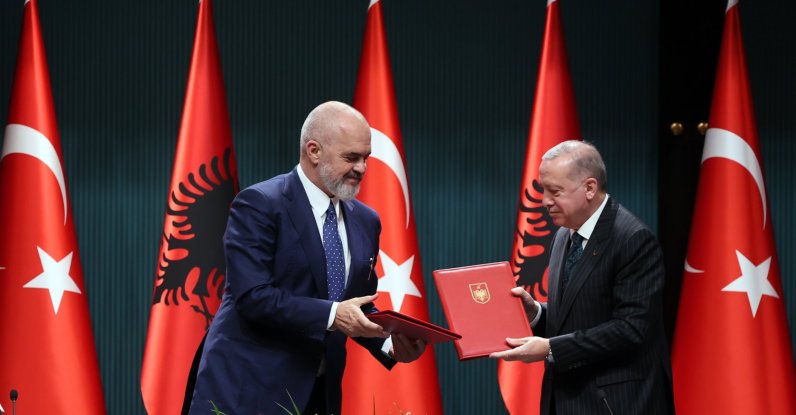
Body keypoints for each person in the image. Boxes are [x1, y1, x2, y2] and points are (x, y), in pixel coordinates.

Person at [188, 101, 426, 415]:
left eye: (366, 158)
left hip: (319, 395)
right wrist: (333, 315)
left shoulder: (366, 220)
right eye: (351, 157)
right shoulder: (259, 204)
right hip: (248, 391)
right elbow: (252, 296)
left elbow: (356, 302)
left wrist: (390, 344)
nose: (362, 168)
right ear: (313, 151)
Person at [491, 140, 674, 414]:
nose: (544, 202)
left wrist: (551, 348)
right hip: (565, 401)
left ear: (589, 188)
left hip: (617, 403)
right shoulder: (564, 235)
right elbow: (582, 315)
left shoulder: (633, 239)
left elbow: (630, 329)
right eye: (543, 190)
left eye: (555, 191)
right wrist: (537, 315)